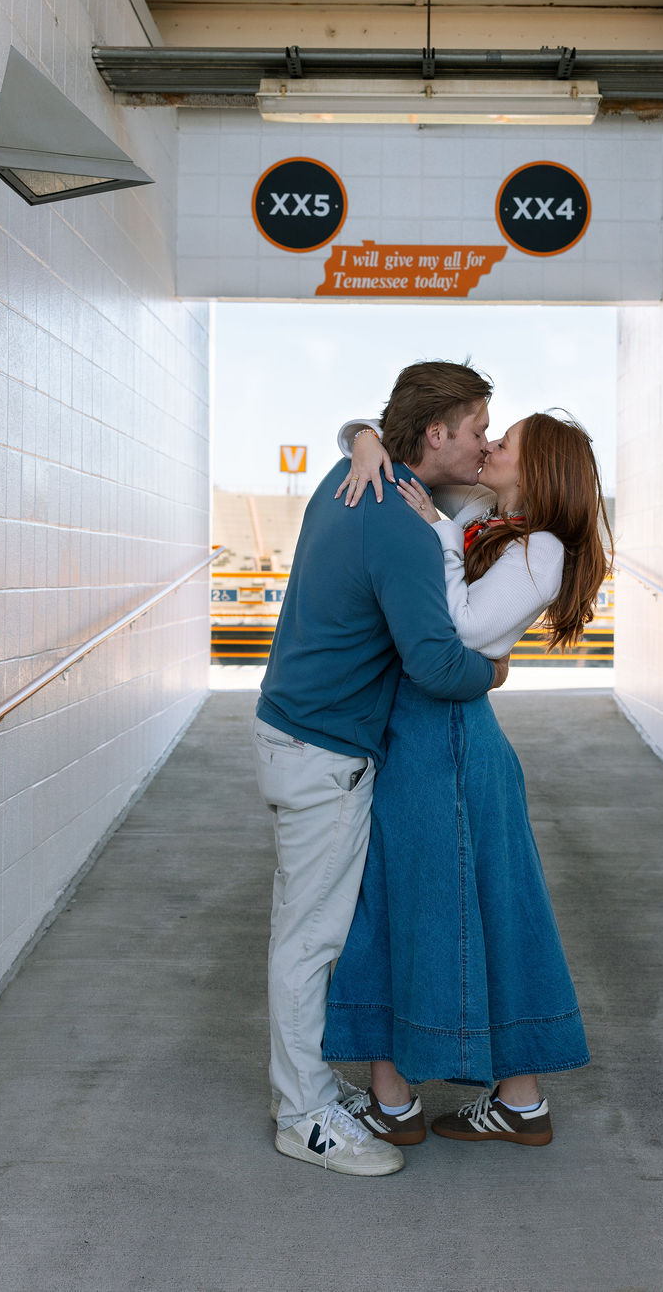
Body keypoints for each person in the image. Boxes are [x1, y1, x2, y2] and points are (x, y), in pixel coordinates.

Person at [323, 410, 613, 1147]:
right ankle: (515, 1099)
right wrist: (363, 436)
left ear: (538, 468)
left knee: (392, 905)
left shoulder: (538, 551)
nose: (488, 446)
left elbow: (464, 637)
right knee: (484, 906)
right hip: (434, 736)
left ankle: (396, 1100)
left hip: (444, 739)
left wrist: (444, 543)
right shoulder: (491, 517)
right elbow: (397, 442)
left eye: (504, 441)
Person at [253, 360, 510, 1177]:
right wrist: (495, 674)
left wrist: (358, 434)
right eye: (475, 431)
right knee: (309, 941)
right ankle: (303, 1116)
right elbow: (436, 663)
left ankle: (314, 1093)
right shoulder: (398, 523)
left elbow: (380, 446)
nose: (483, 446)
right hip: (324, 749)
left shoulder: (351, 472)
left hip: (295, 734)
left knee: (311, 931)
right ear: (436, 434)